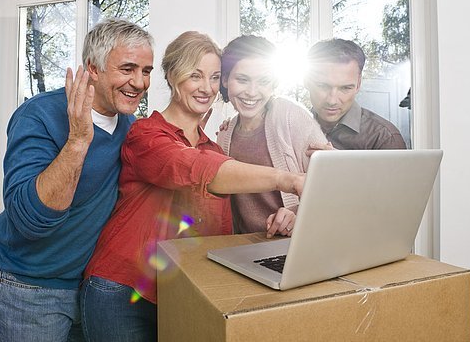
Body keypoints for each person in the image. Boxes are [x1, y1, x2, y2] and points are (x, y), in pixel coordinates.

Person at [80, 31, 305, 342]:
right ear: (173, 76)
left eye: (214, 77)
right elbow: (193, 167)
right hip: (122, 289)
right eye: (194, 75)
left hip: (178, 291)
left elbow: (219, 230)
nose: (207, 88)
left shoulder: (215, 149)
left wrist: (283, 219)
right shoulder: (145, 135)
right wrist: (287, 179)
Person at [0, 19, 154, 342]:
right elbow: (29, 220)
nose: (140, 82)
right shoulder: (38, 114)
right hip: (30, 289)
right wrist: (77, 141)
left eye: (146, 71)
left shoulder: (129, 125)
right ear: (93, 68)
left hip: (91, 288)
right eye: (128, 69)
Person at [217, 35, 328, 234]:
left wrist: (297, 214)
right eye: (242, 80)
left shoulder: (290, 116)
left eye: (264, 81)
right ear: (225, 79)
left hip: (293, 245)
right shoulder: (224, 135)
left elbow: (331, 188)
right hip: (242, 247)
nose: (252, 92)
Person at [305, 38, 407, 150]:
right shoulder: (288, 129)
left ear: (358, 84)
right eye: (323, 86)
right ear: (306, 81)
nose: (332, 101)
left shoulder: (384, 137)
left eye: (345, 88)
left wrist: (338, 165)